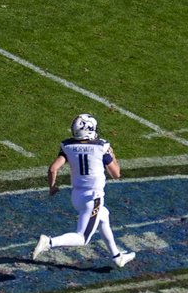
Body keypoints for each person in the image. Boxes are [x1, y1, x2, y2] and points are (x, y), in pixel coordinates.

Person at [31, 113, 135, 268]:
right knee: (83, 238)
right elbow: (116, 174)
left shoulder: (68, 146)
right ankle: (49, 242)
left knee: (104, 217)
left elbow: (53, 169)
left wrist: (52, 187)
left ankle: (117, 256)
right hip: (93, 197)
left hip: (77, 196)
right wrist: (113, 156)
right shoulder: (101, 147)